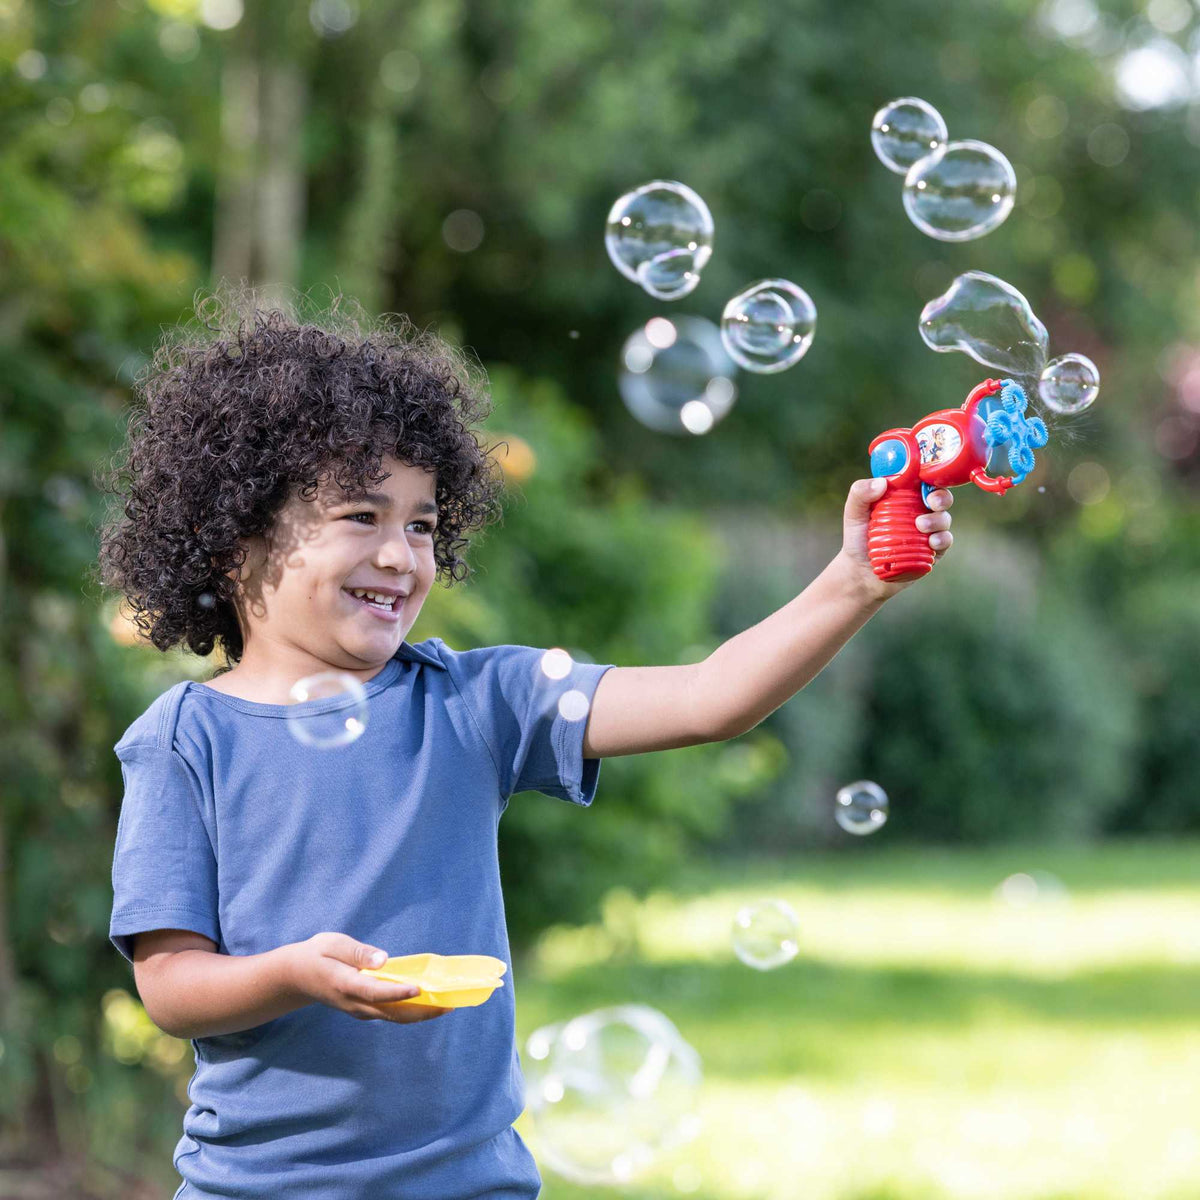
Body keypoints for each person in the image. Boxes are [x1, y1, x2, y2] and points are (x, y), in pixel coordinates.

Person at [98, 287, 954, 1200]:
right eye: (362, 516)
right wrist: (295, 976)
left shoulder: (479, 700)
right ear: (238, 539)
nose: (401, 555)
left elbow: (709, 700)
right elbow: (173, 985)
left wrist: (851, 583)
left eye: (422, 524)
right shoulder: (183, 740)